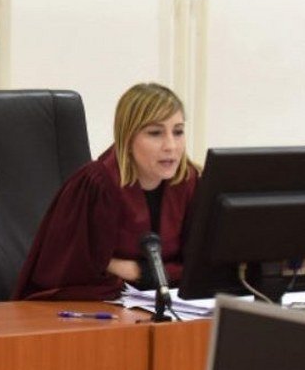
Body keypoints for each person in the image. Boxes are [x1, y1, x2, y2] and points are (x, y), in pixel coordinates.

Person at [13, 82, 199, 300]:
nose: (171, 146)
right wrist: (148, 274)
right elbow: (70, 273)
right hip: (100, 308)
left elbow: (202, 266)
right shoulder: (96, 185)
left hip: (174, 307)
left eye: (178, 132)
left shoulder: (190, 182)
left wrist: (137, 271)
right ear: (127, 138)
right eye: (155, 133)